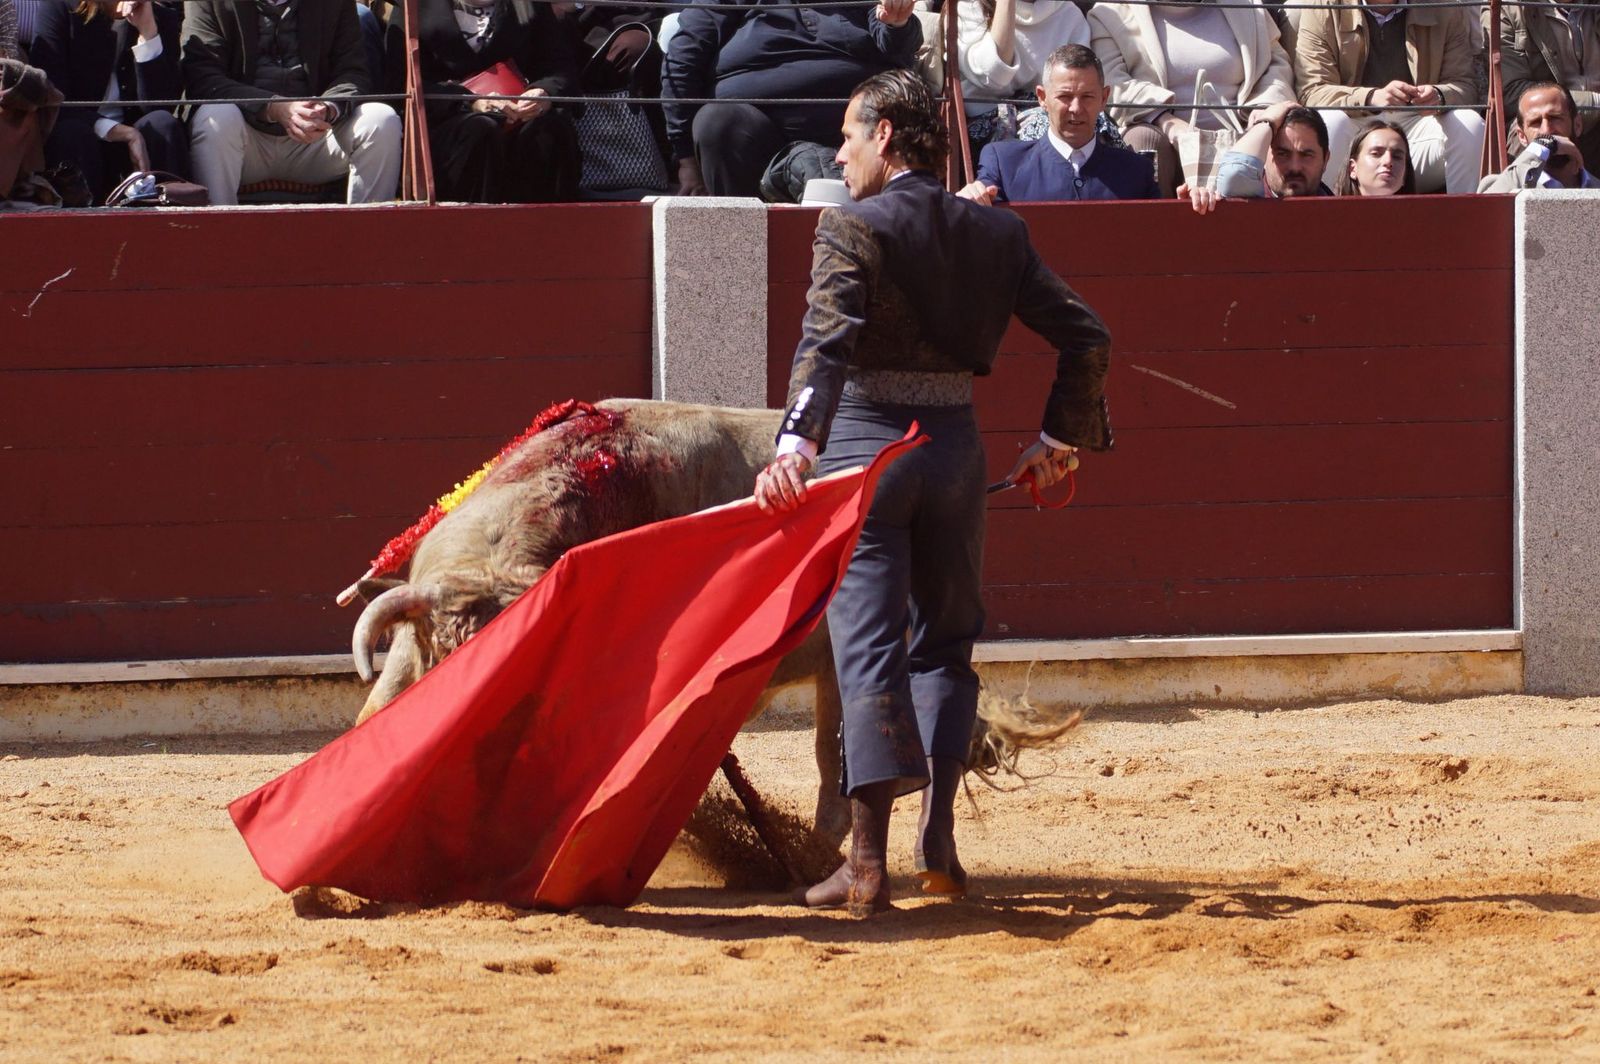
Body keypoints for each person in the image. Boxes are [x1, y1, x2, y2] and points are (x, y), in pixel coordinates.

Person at [752, 69, 1111, 916]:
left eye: (847, 135)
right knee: (946, 644)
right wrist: (1059, 440)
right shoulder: (998, 234)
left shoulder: (854, 226)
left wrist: (795, 445)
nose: (839, 154)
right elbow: (1087, 337)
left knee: (867, 646)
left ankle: (867, 863)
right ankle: (939, 844)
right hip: (955, 453)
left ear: (885, 136)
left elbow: (824, 346)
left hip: (868, 455)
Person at [661, 0, 922, 197]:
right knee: (717, 122)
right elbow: (684, 56)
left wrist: (896, 22)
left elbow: (897, 48)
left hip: (848, 129)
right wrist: (685, 158)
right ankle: (742, 252)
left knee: (886, 118)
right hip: (754, 133)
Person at [182, 0, 402, 205]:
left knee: (381, 120)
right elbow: (203, 77)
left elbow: (353, 72)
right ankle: (218, 237)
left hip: (318, 137)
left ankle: (369, 240)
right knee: (215, 118)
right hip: (245, 139)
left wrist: (326, 108)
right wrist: (272, 107)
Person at [1088, 0, 1295, 198]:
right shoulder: (1109, 13)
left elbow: (1276, 65)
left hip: (1244, 130)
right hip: (1164, 136)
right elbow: (1112, 83)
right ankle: (1153, 228)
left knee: (1289, 129)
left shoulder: (1248, 6)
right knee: (1144, 139)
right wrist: (1166, 120)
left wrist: (1263, 110)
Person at [385, 0, 580, 203]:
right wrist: (472, 101)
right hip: (448, 121)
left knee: (551, 128)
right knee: (480, 128)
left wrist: (543, 94)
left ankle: (547, 228)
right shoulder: (414, 7)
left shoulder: (531, 5)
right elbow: (400, 82)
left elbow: (559, 68)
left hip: (519, 120)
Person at [1293, 0, 1482, 194]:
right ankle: (1325, 216)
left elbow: (1465, 85)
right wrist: (1371, 97)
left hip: (1417, 124)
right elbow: (1312, 91)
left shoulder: (1443, 6)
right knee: (1330, 121)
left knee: (1469, 124)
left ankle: (1466, 219)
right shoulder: (1323, 6)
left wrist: (1439, 96)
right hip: (1354, 124)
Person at [29, 0, 190, 204]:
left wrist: (147, 32)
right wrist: (121, 132)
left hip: (135, 142)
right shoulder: (61, 8)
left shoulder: (162, 17)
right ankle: (80, 228)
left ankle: (171, 224)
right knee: (72, 133)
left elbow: (160, 105)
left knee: (162, 124)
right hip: (81, 135)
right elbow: (51, 97)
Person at [959, 43, 1161, 202]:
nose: (1076, 108)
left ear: (1104, 98)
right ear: (1042, 97)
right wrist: (970, 200)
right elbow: (979, 222)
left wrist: (1188, 208)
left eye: (1087, 96)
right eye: (1065, 96)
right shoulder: (1004, 163)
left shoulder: (1136, 171)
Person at [1494, 0, 1600, 168]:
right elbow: (1511, 93)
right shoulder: (1508, 7)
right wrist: (1594, 102)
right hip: (1551, 112)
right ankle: (1527, 191)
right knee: (1533, 126)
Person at [1179, 100, 1332, 212]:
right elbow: (1235, 174)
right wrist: (1267, 122)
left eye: (1306, 155)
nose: (1294, 167)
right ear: (1263, 156)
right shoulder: (1245, 197)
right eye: (1282, 154)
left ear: (1326, 159)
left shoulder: (1339, 214)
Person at [1479, 82, 1599, 191]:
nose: (1546, 130)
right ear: (1521, 136)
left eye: (1555, 118)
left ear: (1577, 125)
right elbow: (1484, 209)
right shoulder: (1504, 184)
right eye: (1535, 122)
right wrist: (1544, 146)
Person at [1336, 118, 1414, 195]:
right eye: (1376, 154)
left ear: (1405, 174)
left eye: (1397, 156)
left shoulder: (1424, 208)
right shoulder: (1329, 208)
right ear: (1352, 168)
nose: (1388, 161)